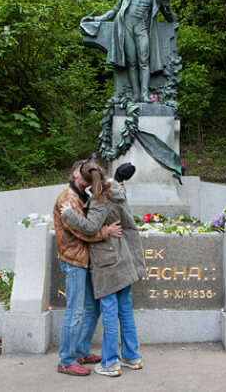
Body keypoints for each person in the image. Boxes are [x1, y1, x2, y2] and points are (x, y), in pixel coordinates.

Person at [60, 161, 146, 377]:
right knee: (125, 308)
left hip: (108, 260)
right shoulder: (115, 189)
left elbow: (90, 227)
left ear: (89, 182)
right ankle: (131, 356)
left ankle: (110, 362)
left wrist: (70, 214)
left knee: (109, 309)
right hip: (122, 255)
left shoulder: (100, 199)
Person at [53, 160, 123, 376]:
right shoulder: (68, 198)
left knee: (93, 307)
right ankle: (66, 360)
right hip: (74, 260)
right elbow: (82, 231)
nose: (87, 182)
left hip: (84, 259)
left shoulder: (82, 195)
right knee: (75, 311)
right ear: (75, 173)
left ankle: (81, 351)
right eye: (85, 177)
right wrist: (106, 232)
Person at [80, 0, 176, 102]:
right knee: (131, 62)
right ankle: (136, 94)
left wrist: (166, 5)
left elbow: (170, 19)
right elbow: (115, 10)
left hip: (142, 28)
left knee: (144, 61)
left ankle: (144, 94)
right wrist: (96, 19)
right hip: (126, 27)